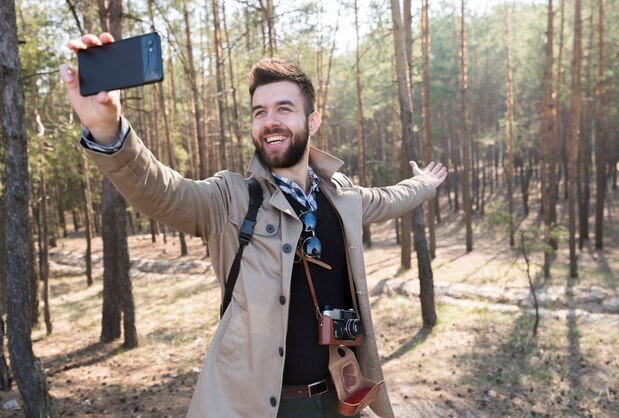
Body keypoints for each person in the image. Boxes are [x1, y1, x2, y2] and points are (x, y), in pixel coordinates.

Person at [60, 32, 447, 418]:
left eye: (283, 109)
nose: (269, 121)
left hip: (338, 399)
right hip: (264, 408)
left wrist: (424, 185)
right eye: (259, 112)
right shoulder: (231, 199)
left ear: (312, 121)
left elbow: (390, 198)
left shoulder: (340, 195)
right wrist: (108, 131)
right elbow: (162, 191)